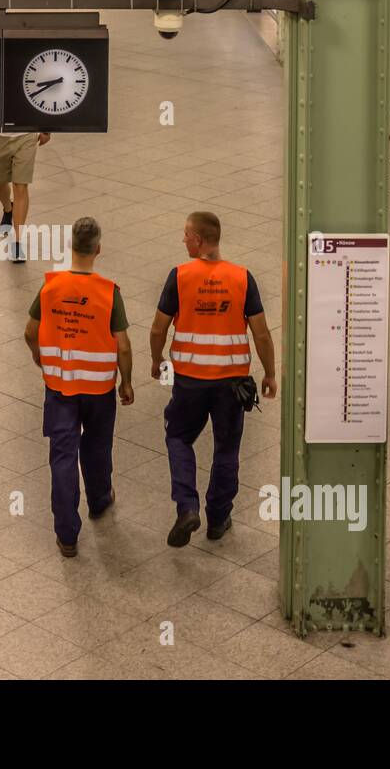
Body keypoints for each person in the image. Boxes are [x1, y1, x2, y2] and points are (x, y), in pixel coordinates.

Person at [149, 212, 277, 548]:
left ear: (200, 239)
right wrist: (270, 372)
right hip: (231, 383)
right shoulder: (242, 278)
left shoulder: (180, 276)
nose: (183, 239)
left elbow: (158, 327)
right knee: (227, 448)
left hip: (190, 381)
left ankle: (187, 507)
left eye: (186, 234)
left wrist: (156, 359)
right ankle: (218, 518)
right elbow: (261, 333)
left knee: (178, 437)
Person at [24, 218, 134, 557]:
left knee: (62, 455)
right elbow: (124, 345)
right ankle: (100, 501)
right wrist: (126, 382)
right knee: (98, 447)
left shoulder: (50, 287)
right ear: (98, 249)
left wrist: (39, 358)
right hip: (99, 389)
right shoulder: (108, 292)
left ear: (70, 246)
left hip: (60, 387)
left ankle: (67, 535)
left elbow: (30, 331)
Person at [0, 129, 49, 262]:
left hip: (27, 135)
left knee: (20, 186)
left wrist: (47, 130)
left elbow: (39, 107)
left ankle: (17, 241)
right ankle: (8, 209)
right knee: (0, 184)